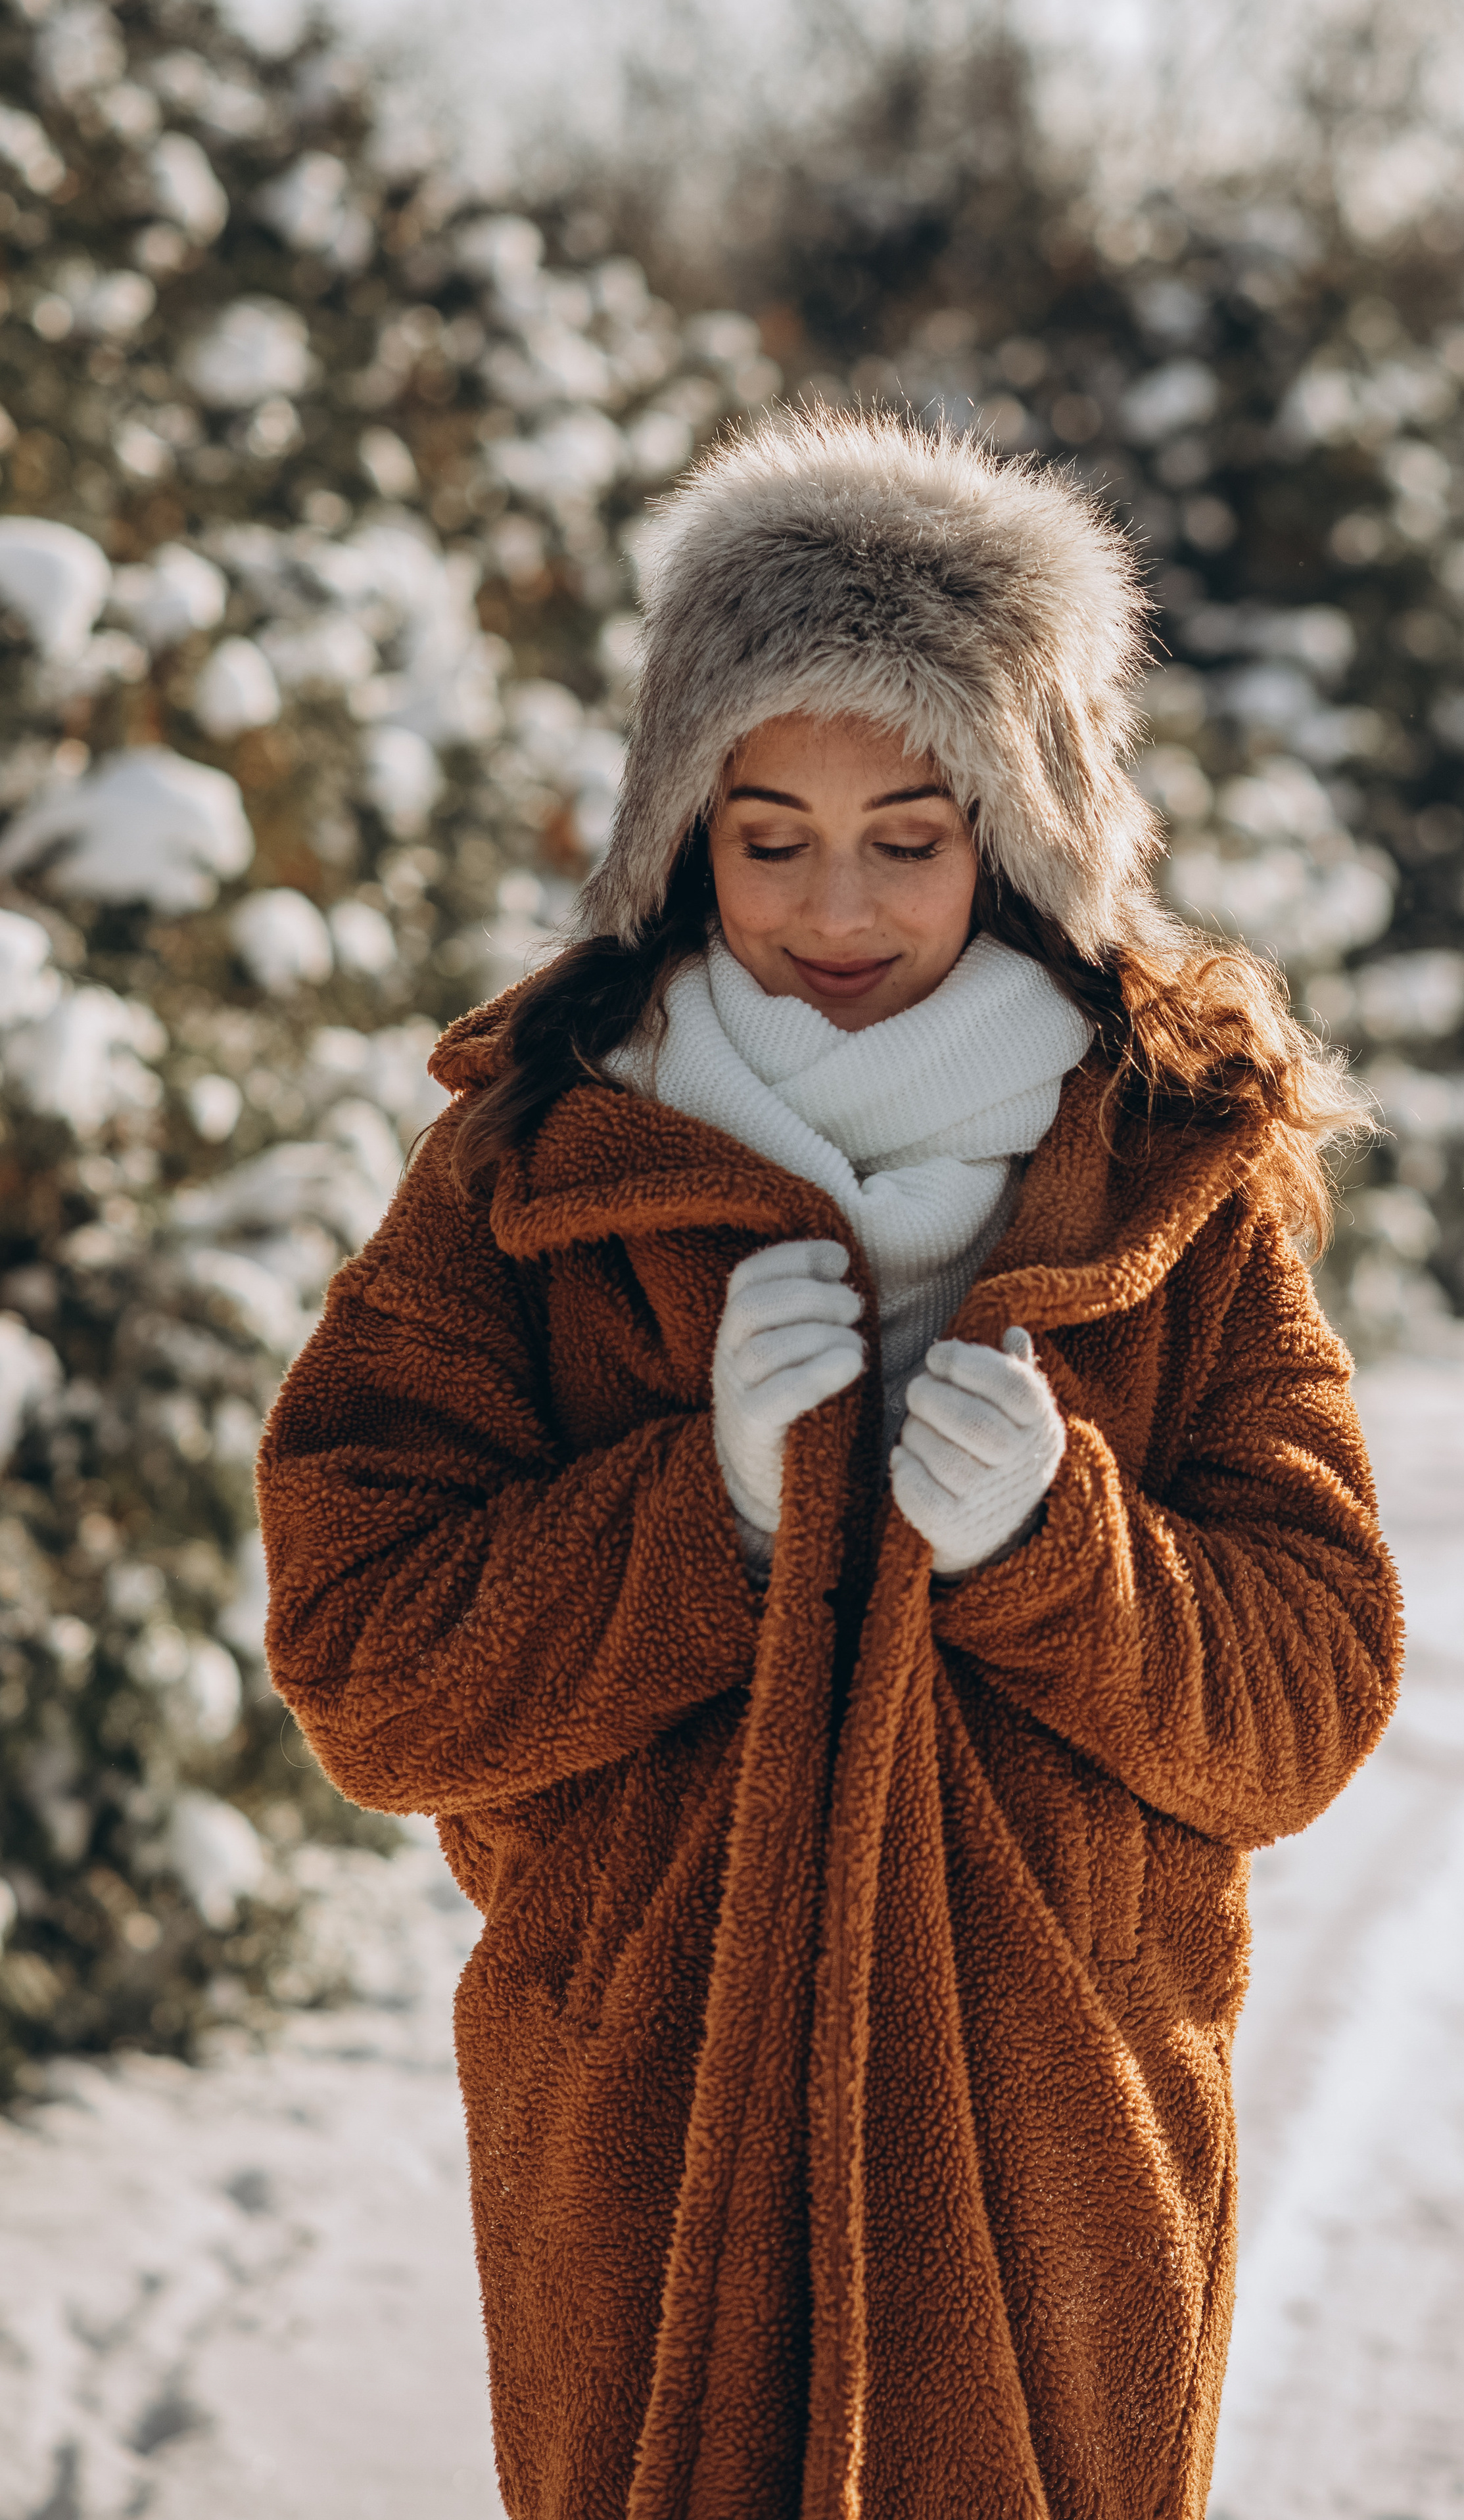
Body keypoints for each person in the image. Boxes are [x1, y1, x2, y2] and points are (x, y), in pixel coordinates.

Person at [258, 409, 1403, 2520]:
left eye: (911, 831)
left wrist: (1062, 1551)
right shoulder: (531, 1167)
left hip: (1060, 2172)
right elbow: (364, 1659)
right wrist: (697, 1520)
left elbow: (1310, 1690)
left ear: (1023, 829)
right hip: (647, 2155)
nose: (836, 904)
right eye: (768, 834)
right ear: (680, 827)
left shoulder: (1173, 1172)